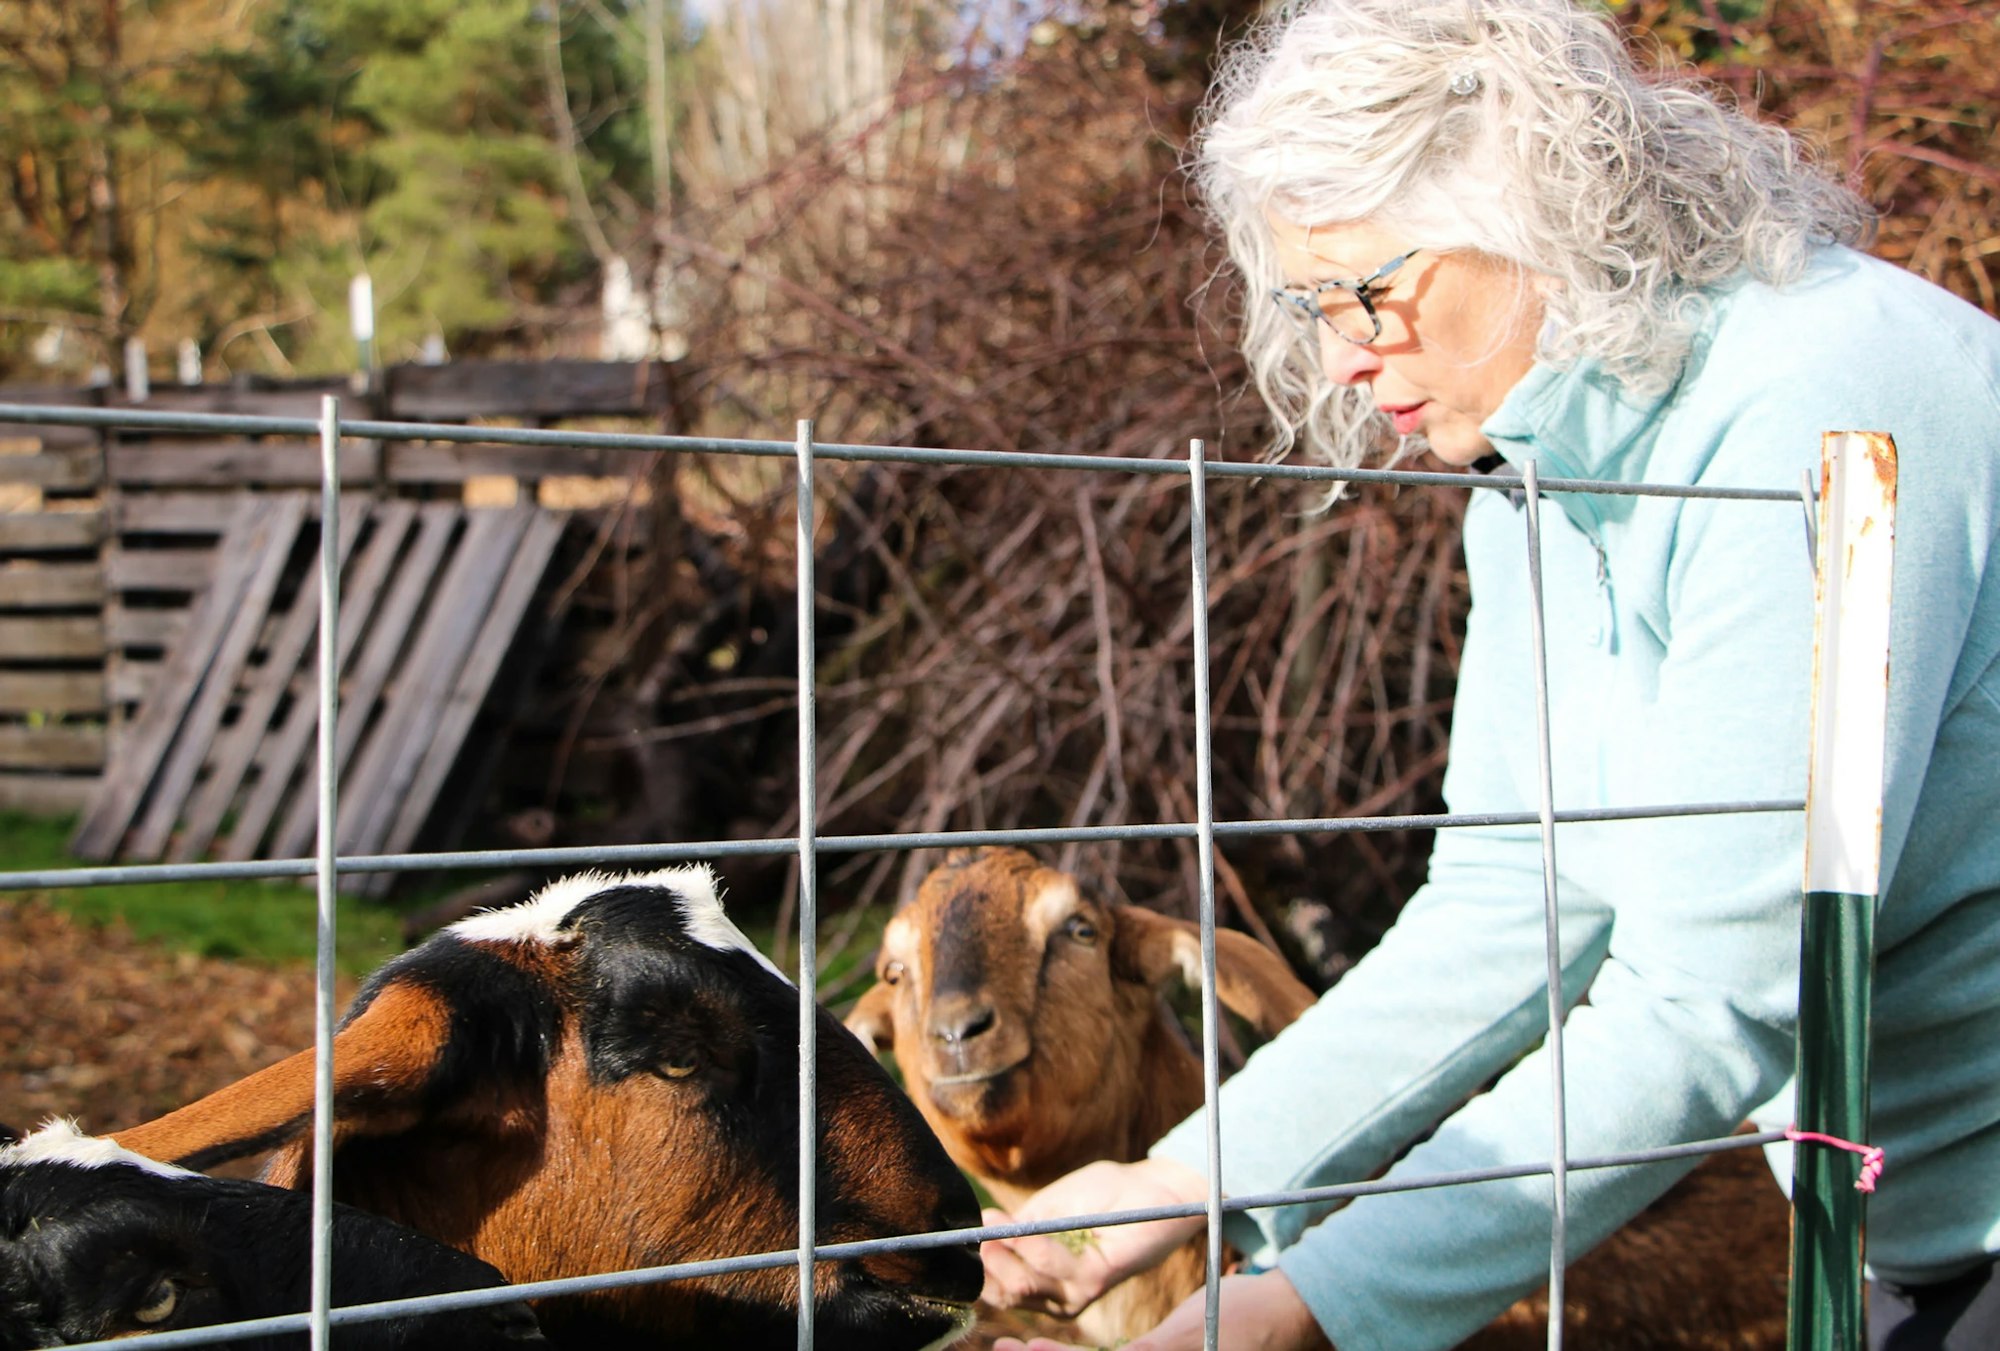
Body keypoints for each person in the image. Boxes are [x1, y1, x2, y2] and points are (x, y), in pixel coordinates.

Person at [976, 2, 2000, 1349]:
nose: (1343, 354)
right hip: (1902, 1234)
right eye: (1309, 303)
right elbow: (1514, 895)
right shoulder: (1539, 476)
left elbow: (1707, 1008)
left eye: (1367, 290)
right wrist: (1191, 1173)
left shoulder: (1815, 406)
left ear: (1536, 208)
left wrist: (1321, 1303)